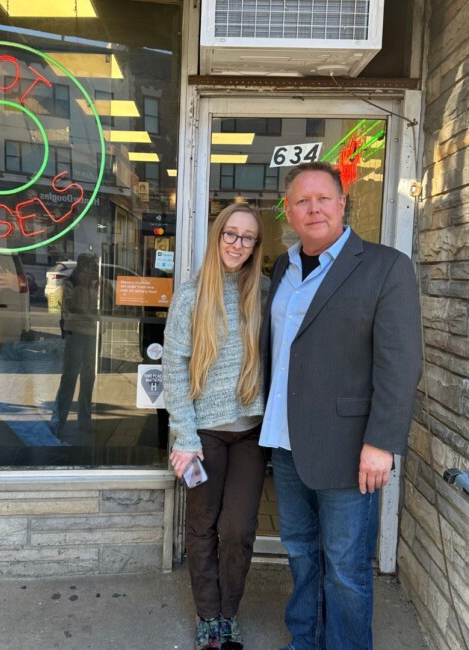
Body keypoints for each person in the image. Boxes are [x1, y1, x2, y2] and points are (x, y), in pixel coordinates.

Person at [259, 162, 422, 649]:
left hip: (351, 451)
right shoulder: (281, 268)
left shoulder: (385, 266)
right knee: (302, 554)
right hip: (286, 443)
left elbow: (401, 363)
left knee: (347, 568)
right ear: (288, 211)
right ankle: (305, 640)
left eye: (322, 199)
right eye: (301, 201)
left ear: (342, 203)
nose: (313, 209)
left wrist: (382, 444)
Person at [163, 203, 267, 650]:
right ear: (217, 235)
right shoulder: (191, 295)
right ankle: (209, 617)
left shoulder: (265, 291)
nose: (237, 244)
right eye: (231, 233)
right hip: (203, 432)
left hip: (251, 429)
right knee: (203, 525)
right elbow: (174, 367)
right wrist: (185, 436)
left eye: (247, 237)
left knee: (239, 528)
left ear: (256, 246)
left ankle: (229, 613)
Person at [0, 260, 63, 446]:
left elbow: (60, 294)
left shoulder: (51, 247)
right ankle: (53, 451)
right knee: (7, 404)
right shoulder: (2, 248)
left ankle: (53, 455)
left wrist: (23, 285)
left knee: (45, 406)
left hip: (41, 338)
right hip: (11, 337)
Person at [52, 253, 111, 444]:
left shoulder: (97, 284)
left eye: (94, 268)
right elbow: (71, 309)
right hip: (75, 334)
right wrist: (92, 316)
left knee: (88, 378)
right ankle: (58, 421)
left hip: (94, 336)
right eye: (89, 268)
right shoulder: (70, 283)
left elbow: (113, 304)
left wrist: (105, 285)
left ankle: (84, 420)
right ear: (82, 268)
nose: (92, 271)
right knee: (69, 378)